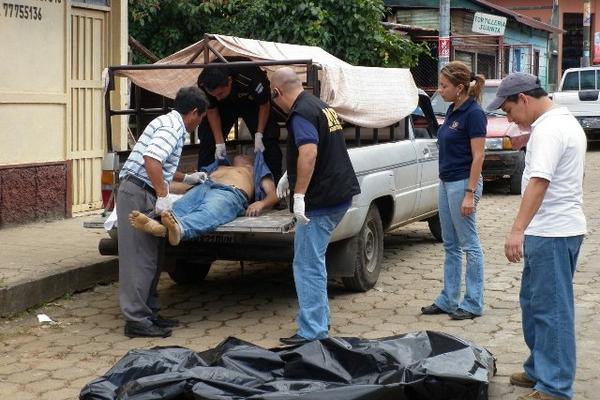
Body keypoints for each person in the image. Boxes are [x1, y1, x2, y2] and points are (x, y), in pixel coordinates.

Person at [489, 73, 586, 400]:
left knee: (552, 310)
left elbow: (539, 183)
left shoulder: (549, 129)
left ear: (524, 100)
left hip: (553, 233)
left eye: (508, 111)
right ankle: (538, 369)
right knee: (533, 304)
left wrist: (516, 230)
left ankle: (555, 387)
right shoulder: (558, 123)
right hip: (550, 230)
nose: (509, 119)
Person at [270, 67, 360, 346]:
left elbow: (309, 152)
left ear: (276, 92)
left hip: (321, 201)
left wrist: (299, 195)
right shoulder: (320, 105)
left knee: (307, 264)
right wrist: (290, 173)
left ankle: (312, 332)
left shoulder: (300, 114)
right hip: (339, 194)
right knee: (314, 261)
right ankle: (319, 320)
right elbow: (314, 147)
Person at [117, 86, 208, 338]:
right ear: (193, 113)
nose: (198, 124)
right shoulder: (172, 127)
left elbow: (162, 163)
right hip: (138, 193)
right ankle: (136, 319)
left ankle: (149, 312)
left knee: (154, 258)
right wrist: (163, 195)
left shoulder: (169, 123)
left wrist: (187, 178)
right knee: (140, 259)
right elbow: (151, 159)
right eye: (200, 118)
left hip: (143, 190)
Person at [421, 61, 487, 320]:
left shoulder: (474, 113)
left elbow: (478, 156)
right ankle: (448, 299)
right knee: (450, 244)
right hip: (446, 182)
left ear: (460, 88)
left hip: (463, 184)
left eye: (444, 86)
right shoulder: (452, 110)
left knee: (469, 244)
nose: (440, 90)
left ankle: (472, 302)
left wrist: (470, 193)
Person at [129, 153, 279, 244]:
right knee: (178, 208)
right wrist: (159, 184)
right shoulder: (221, 166)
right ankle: (158, 226)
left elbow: (274, 194)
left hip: (230, 192)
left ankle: (180, 229)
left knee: (208, 212)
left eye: (246, 155)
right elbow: (184, 187)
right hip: (203, 187)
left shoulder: (255, 169)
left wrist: (261, 203)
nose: (241, 155)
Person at [196, 64, 282, 183]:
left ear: (230, 81)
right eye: (214, 95)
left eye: (220, 93)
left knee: (268, 140)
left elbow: (264, 104)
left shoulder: (250, 76)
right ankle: (202, 182)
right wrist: (219, 143)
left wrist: (259, 134)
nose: (218, 97)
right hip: (223, 108)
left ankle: (274, 188)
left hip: (251, 102)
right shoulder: (204, 83)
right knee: (208, 139)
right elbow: (211, 109)